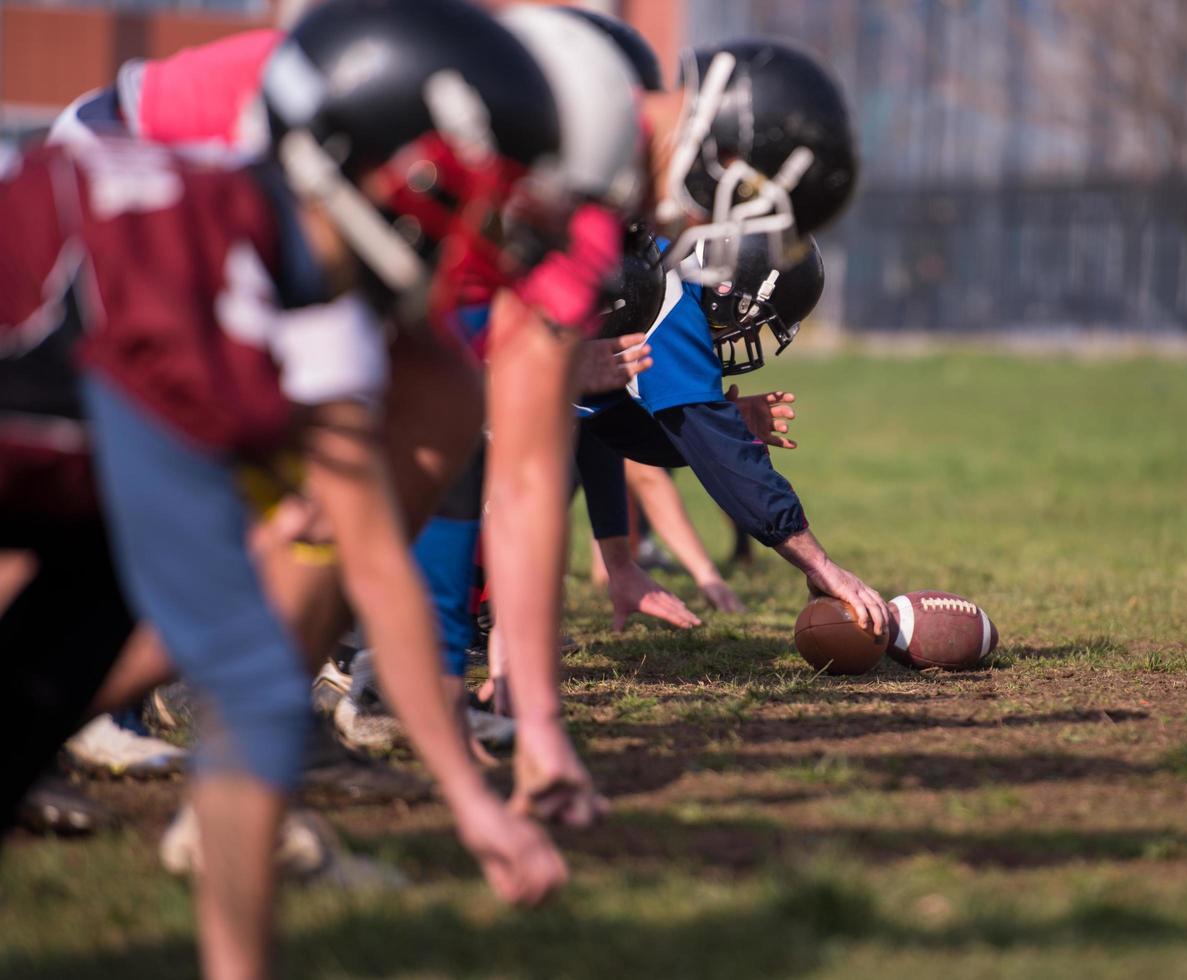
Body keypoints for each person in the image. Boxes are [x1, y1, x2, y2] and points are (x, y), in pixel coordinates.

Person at [1, 1, 603, 973]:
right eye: (477, 192)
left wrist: (465, 798)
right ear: (383, 166)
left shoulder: (279, 261)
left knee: (94, 608)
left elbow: (373, 559)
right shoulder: (203, 272)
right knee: (244, 671)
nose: (493, 230)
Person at [578, 231, 892, 632]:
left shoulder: (653, 267)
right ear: (728, 287)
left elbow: (593, 419)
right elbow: (726, 461)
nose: (741, 335)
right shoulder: (665, 300)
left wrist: (619, 562)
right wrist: (820, 565)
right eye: (751, 318)